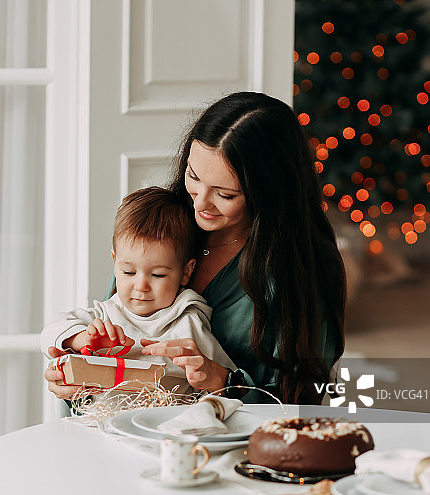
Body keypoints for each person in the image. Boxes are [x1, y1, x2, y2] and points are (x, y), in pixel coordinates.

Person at [44, 91, 346, 404]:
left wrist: (222, 381)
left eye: (225, 195)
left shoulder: (301, 271)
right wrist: (76, 384)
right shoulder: (158, 230)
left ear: (269, 192)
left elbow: (304, 401)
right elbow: (109, 337)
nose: (199, 204)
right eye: (193, 176)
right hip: (123, 426)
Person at [40, 186, 235, 394]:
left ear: (185, 272)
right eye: (129, 272)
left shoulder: (189, 322)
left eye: (158, 275)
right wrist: (82, 339)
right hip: (104, 414)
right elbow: (49, 332)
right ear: (115, 262)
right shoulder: (104, 316)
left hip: (171, 413)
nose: (141, 286)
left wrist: (205, 383)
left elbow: (229, 384)